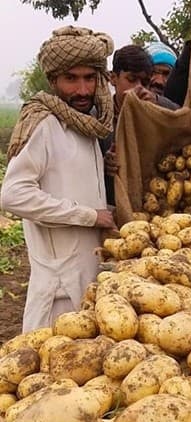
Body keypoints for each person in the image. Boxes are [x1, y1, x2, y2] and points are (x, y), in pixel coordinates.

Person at [0, 26, 117, 332]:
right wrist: (89, 216)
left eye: (89, 78)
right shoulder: (44, 125)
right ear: (53, 81)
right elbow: (13, 195)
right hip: (58, 294)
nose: (83, 90)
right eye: (71, 78)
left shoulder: (86, 126)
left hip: (89, 285)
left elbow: (70, 180)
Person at [102, 45, 178, 205]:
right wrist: (105, 164)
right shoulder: (98, 118)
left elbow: (182, 120)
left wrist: (156, 104)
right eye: (131, 79)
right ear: (113, 78)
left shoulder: (156, 107)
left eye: (144, 82)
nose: (138, 88)